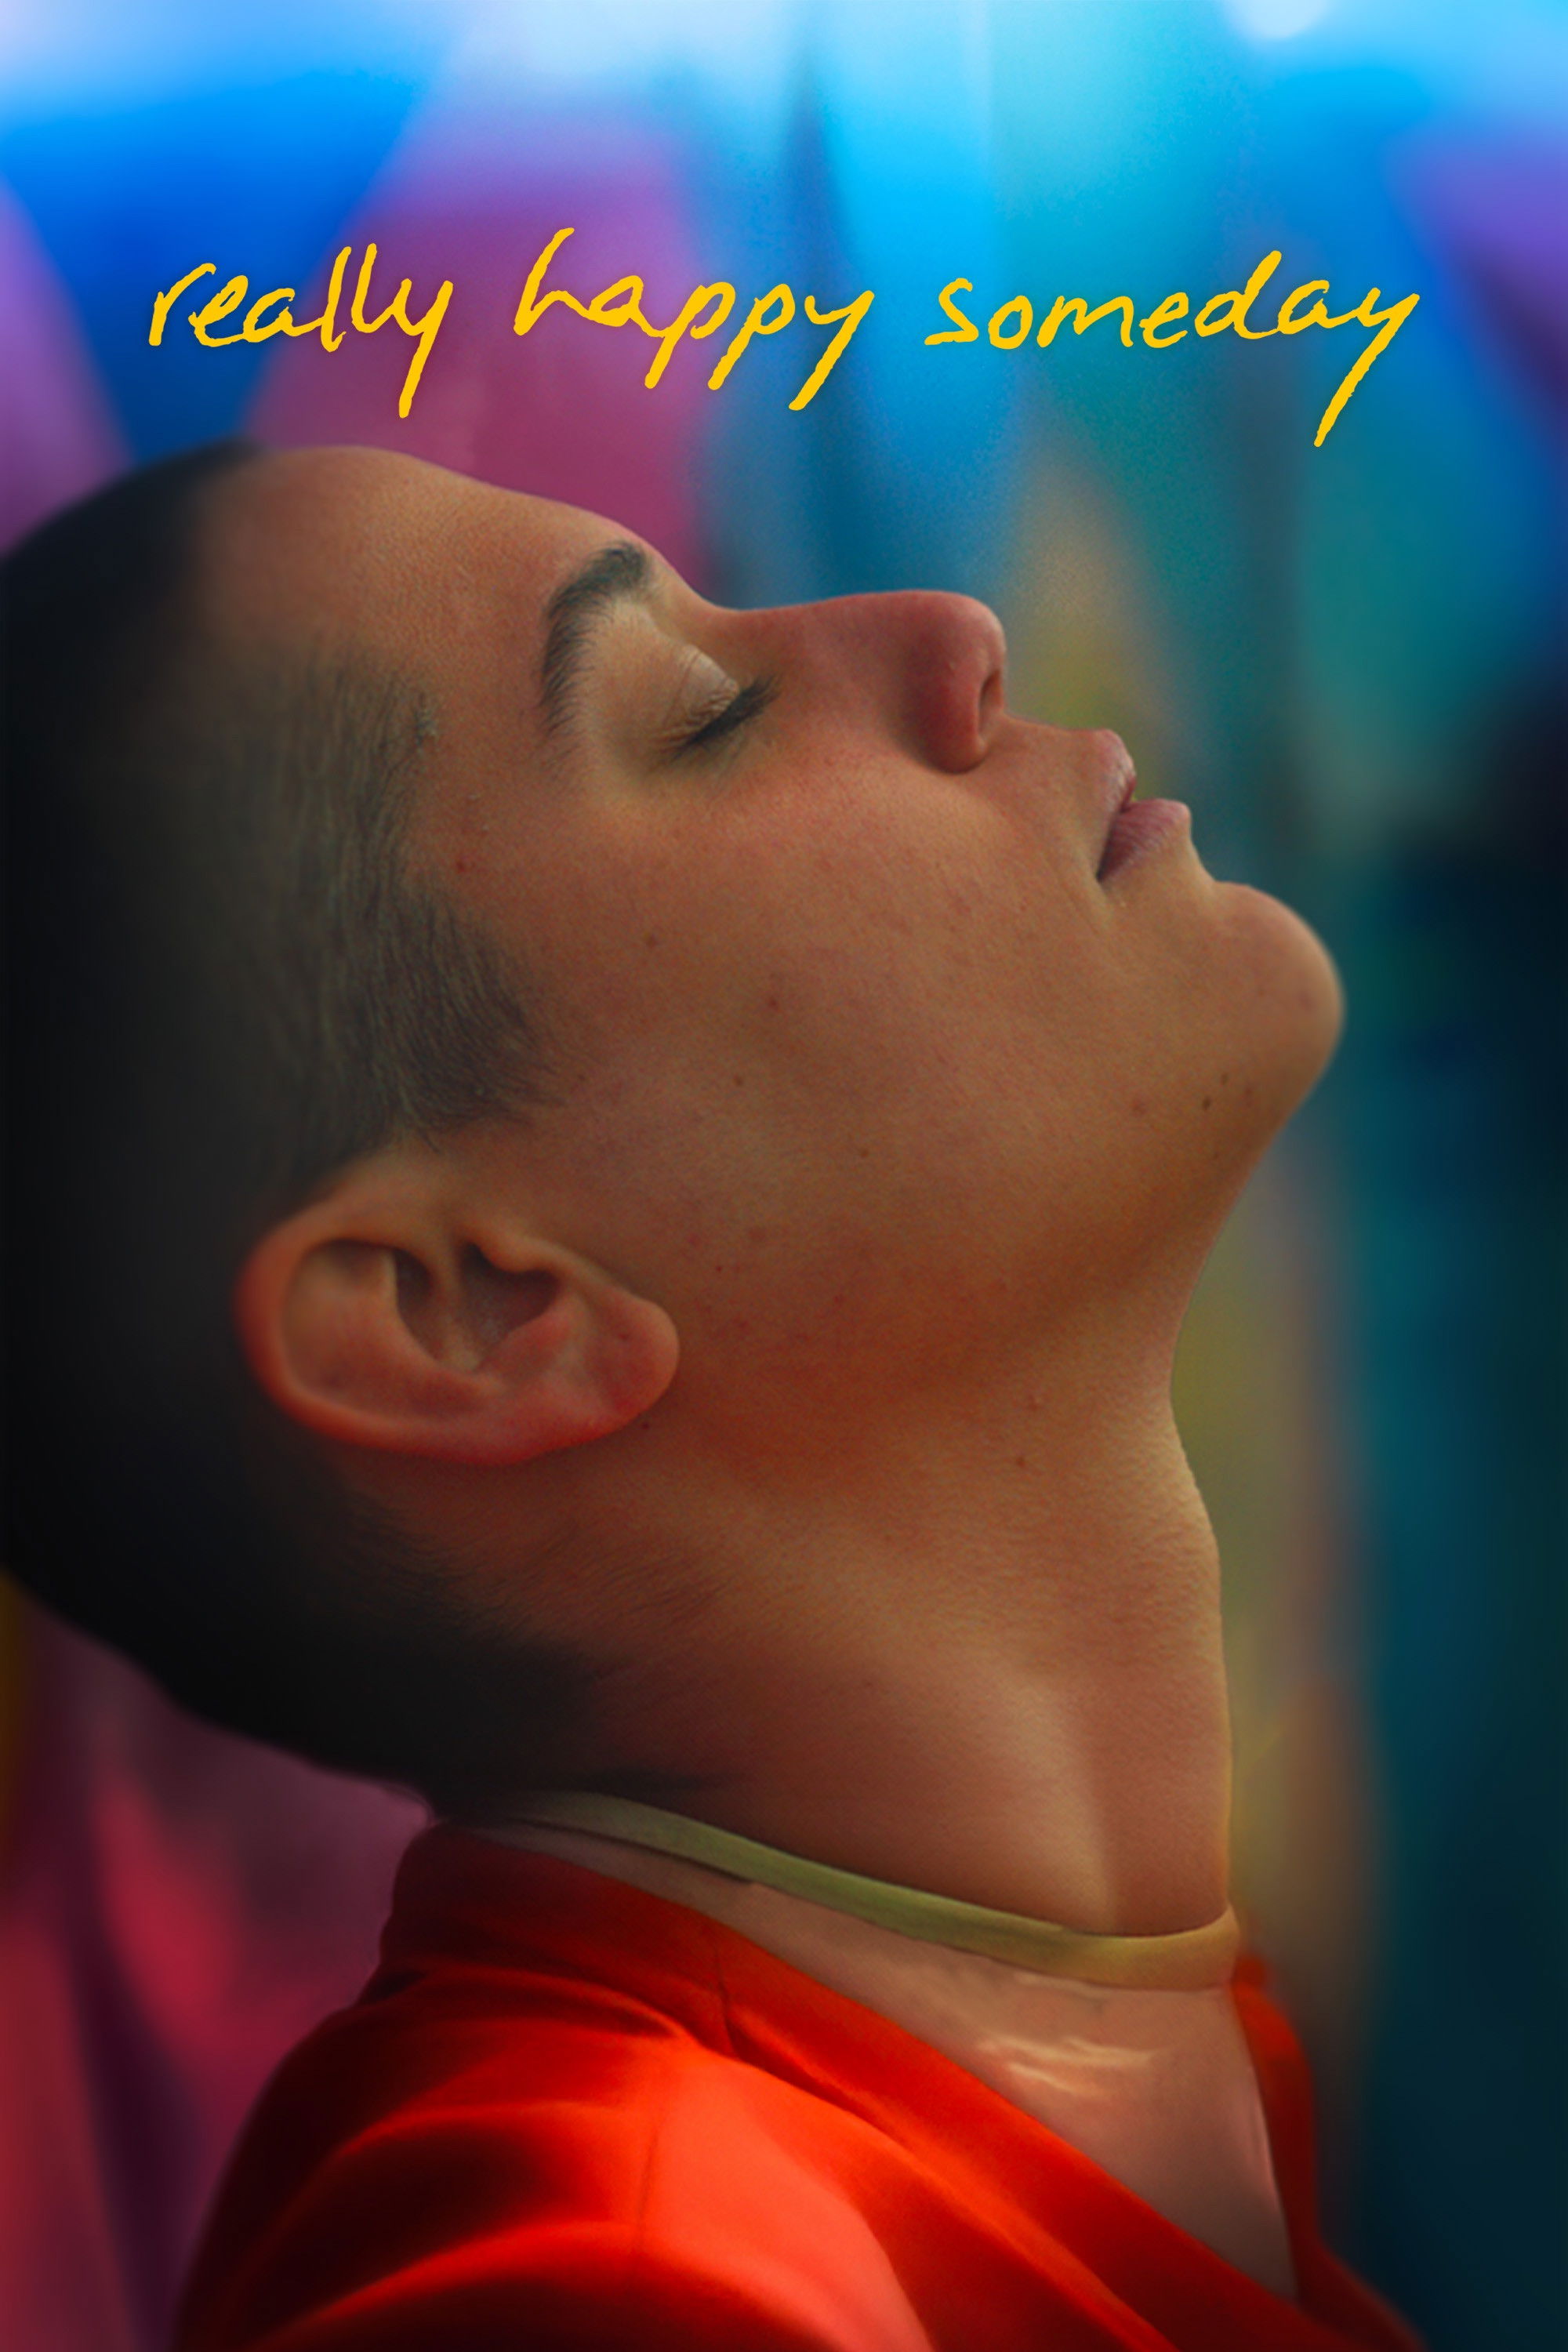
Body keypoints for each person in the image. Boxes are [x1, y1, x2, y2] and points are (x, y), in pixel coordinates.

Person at [0, 440, 1418, 2351]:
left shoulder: (1039, 2121)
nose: (953, 633)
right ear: (468, 1309)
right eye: (703, 713)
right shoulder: (626, 2281)